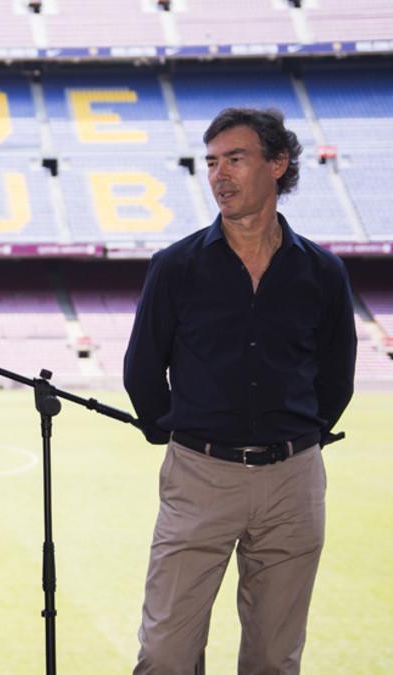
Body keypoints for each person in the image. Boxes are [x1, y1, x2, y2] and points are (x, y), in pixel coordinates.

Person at [124, 108, 356, 674]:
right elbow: (142, 371)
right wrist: (181, 433)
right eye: (211, 162)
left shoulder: (322, 271)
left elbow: (337, 376)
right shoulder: (175, 266)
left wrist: (297, 438)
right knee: (164, 656)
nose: (219, 174)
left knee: (275, 658)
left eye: (235, 158)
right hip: (199, 475)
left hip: (292, 483)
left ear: (278, 165)